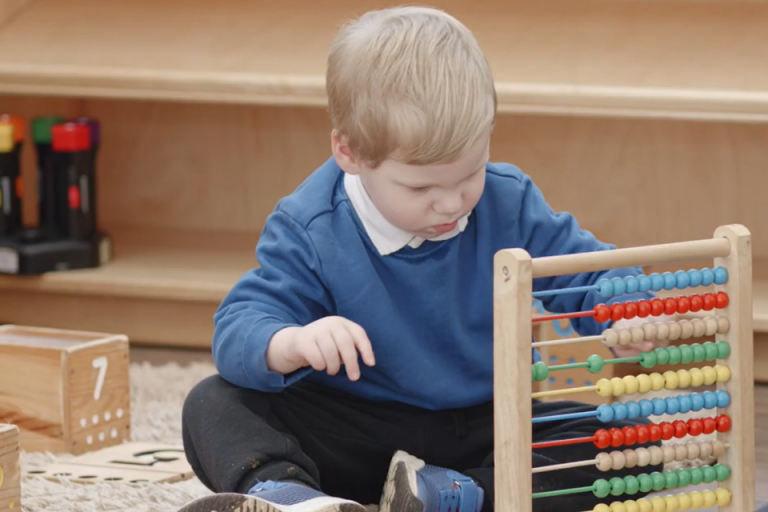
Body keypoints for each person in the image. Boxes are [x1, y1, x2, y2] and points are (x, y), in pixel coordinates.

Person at [178, 6, 665, 512]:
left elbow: (586, 268)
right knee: (214, 403)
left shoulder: (509, 201)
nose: (452, 203)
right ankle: (290, 497)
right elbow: (238, 326)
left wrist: (625, 305)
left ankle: (454, 496)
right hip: (358, 426)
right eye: (421, 186)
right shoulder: (310, 225)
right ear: (349, 153)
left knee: (631, 442)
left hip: (489, 425)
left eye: (469, 174)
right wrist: (293, 341)